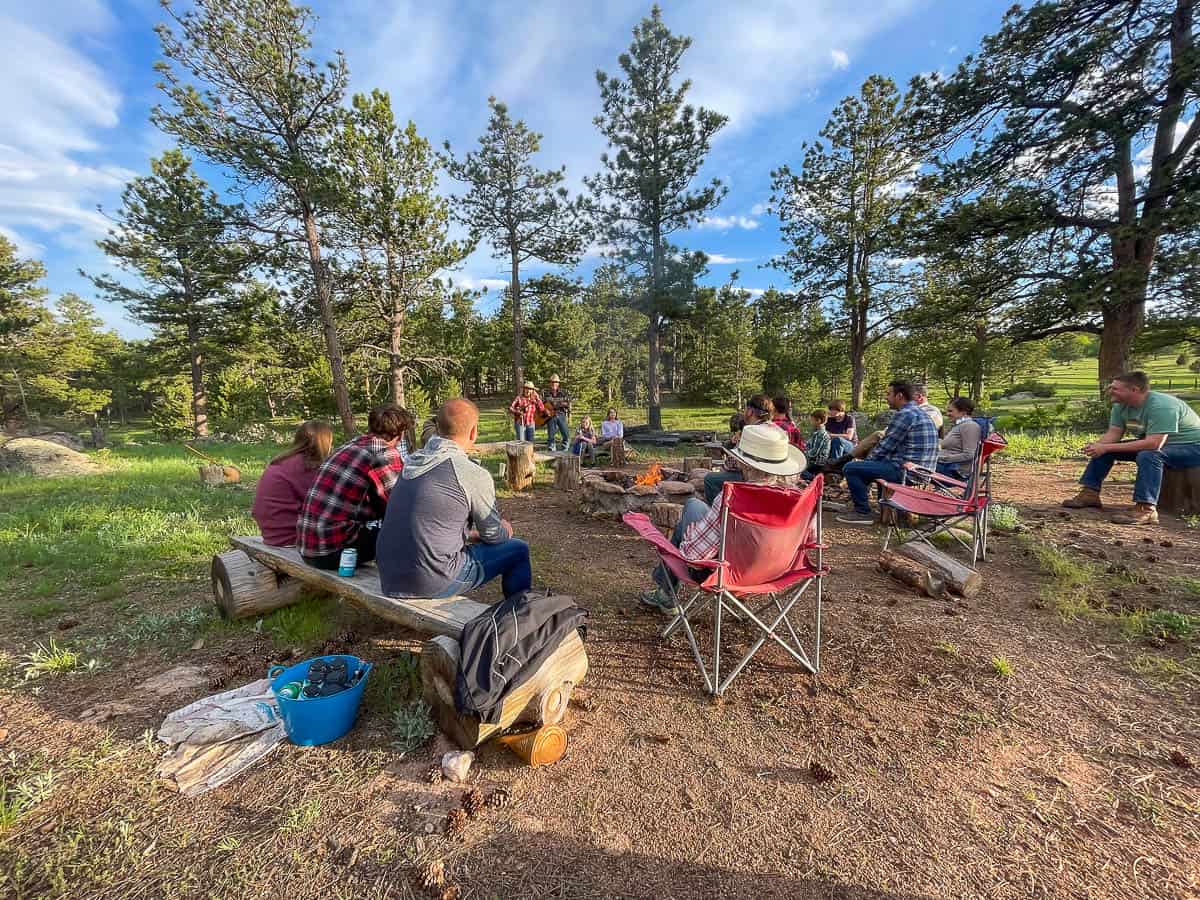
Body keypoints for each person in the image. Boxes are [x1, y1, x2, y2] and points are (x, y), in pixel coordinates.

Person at [638, 423, 805, 612]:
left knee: (692, 506)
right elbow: (810, 541)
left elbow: (694, 556)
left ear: (744, 463)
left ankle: (666, 593)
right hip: (779, 571)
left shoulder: (733, 498)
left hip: (727, 574)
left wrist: (688, 533)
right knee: (697, 507)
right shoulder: (800, 500)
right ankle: (665, 592)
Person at [378, 398, 532, 601]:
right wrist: (505, 530)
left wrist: (470, 534)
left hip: (389, 576)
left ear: (437, 427)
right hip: (430, 580)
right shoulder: (471, 473)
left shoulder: (412, 462)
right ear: (473, 432)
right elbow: (494, 535)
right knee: (518, 549)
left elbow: (428, 524)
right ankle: (520, 614)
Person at [1062, 371, 1200, 525]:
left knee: (1149, 455)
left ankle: (1146, 509)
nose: (1109, 391)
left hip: (1193, 447)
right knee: (1106, 448)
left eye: (1115, 388)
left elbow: (1154, 444)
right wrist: (1098, 446)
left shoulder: (1162, 406)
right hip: (1162, 445)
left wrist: (1106, 448)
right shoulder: (1120, 406)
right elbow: (1114, 433)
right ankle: (1090, 493)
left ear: (1134, 390)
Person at [297, 405, 410, 569]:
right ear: (400, 434)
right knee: (405, 533)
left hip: (308, 545)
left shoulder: (352, 444)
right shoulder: (382, 453)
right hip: (332, 550)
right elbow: (398, 504)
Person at [836, 381, 939, 525]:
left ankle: (862, 512)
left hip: (907, 471)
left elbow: (885, 446)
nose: (886, 397)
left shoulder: (905, 414)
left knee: (851, 468)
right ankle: (885, 509)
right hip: (921, 470)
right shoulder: (919, 412)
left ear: (899, 396)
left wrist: (865, 463)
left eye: (888, 394)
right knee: (875, 466)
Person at [251, 421, 333, 546]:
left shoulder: (283, 460)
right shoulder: (309, 466)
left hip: (271, 533)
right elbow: (326, 504)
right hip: (292, 536)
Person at [704, 395, 776, 503]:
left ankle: (719, 509)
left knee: (710, 479)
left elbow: (734, 463)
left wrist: (724, 465)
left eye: (746, 409)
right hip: (773, 476)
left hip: (754, 478)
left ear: (750, 412)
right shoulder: (775, 429)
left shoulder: (751, 432)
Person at [937, 397, 982, 480]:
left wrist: (940, 459)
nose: (947, 414)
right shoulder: (958, 426)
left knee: (911, 465)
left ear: (963, 412)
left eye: (950, 411)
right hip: (945, 465)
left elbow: (969, 454)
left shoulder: (970, 426)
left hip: (955, 471)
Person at [543, 374, 572, 451]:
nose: (554, 384)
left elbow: (567, 403)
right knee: (551, 436)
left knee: (566, 435)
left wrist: (553, 404)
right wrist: (559, 404)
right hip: (550, 416)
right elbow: (542, 404)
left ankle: (564, 451)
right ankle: (552, 453)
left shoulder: (564, 392)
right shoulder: (545, 392)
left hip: (561, 414)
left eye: (555, 382)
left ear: (558, 383)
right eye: (552, 382)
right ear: (550, 383)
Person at [802, 409, 831, 479]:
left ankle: (814, 478)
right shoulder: (816, 432)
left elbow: (814, 453)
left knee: (798, 469)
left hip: (818, 462)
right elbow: (809, 446)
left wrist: (803, 455)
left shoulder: (821, 434)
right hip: (812, 460)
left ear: (818, 421)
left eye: (812, 420)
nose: (810, 421)